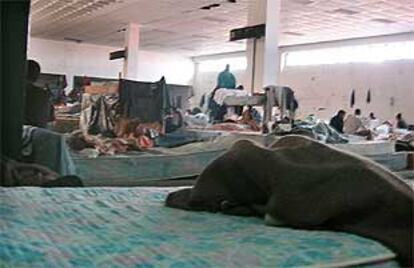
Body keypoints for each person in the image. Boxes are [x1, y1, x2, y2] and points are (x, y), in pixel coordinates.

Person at [24, 60, 54, 128]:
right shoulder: (44, 95)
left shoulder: (12, 91)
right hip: (37, 134)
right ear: (37, 76)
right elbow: (50, 120)